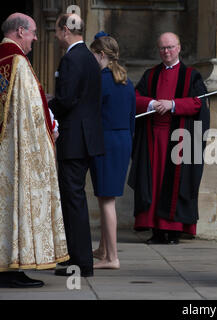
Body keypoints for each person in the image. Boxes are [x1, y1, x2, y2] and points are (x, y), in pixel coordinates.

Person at [0, 13, 69, 288]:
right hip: (18, 152)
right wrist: (50, 129)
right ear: (19, 31)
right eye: (33, 33)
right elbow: (30, 112)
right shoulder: (17, 62)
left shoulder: (3, 58)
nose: (36, 39)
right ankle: (12, 268)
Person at [128, 32, 210, 245]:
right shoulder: (151, 74)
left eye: (170, 47)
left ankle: (173, 231)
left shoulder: (192, 76)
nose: (166, 52)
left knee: (175, 183)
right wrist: (152, 103)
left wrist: (172, 105)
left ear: (179, 48)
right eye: (163, 48)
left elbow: (199, 103)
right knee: (153, 183)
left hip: (179, 139)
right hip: (153, 139)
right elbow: (135, 99)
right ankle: (156, 230)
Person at [49, 13, 104, 278]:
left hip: (74, 140)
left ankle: (80, 263)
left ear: (65, 31)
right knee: (76, 199)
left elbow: (67, 100)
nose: (56, 35)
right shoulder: (90, 58)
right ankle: (78, 259)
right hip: (86, 138)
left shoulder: (72, 58)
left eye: (57, 31)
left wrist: (45, 105)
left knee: (73, 201)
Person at [89, 32, 136, 269]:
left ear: (100, 55)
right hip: (123, 140)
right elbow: (132, 119)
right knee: (106, 197)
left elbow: (92, 115)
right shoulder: (126, 81)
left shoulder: (102, 80)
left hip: (106, 141)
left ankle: (112, 258)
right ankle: (103, 249)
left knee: (106, 200)